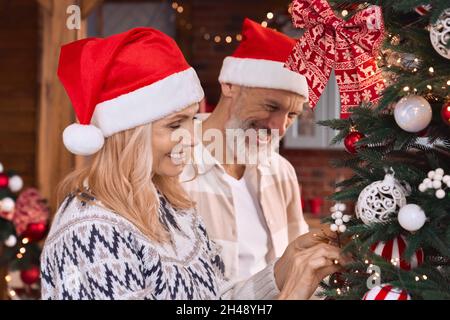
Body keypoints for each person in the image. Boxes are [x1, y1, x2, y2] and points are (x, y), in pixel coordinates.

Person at [40, 27, 345, 300]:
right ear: (129, 134)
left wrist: (284, 268)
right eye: (175, 125)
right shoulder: (91, 231)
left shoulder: (175, 207)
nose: (191, 136)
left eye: (190, 119)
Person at [181, 19, 310, 281]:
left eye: (292, 115)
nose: (280, 127)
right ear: (229, 85)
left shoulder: (281, 172)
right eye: (272, 107)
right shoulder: (173, 163)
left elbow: (296, 267)